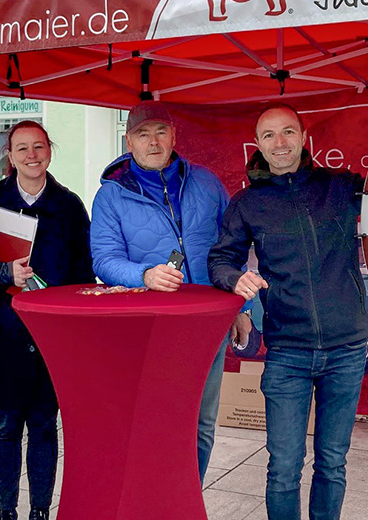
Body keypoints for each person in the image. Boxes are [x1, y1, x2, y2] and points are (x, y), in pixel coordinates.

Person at [208, 105, 368, 520]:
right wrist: (235, 280)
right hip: (289, 351)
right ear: (257, 143)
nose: (279, 142)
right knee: (283, 466)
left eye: (287, 132)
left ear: (305, 136)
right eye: (268, 135)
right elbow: (220, 257)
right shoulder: (248, 204)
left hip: (347, 346)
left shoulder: (342, 187)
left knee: (333, 462)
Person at [90, 103, 251, 482]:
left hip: (207, 324)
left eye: (161, 132)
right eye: (143, 134)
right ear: (129, 141)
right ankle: (154, 504)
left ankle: (188, 505)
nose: (153, 141)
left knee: (202, 422)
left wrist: (240, 308)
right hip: (149, 327)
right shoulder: (111, 196)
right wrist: (143, 275)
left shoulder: (207, 183)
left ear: (175, 136)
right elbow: (104, 259)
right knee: (155, 422)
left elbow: (232, 250)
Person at [0, 121, 94, 520]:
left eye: (38, 147)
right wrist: (5, 274)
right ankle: (7, 519)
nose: (31, 155)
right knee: (6, 430)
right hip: (4, 333)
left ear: (50, 151)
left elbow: (84, 273)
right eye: (21, 148)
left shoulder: (69, 205)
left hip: (53, 337)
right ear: (9, 153)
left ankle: (41, 517)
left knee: (44, 427)